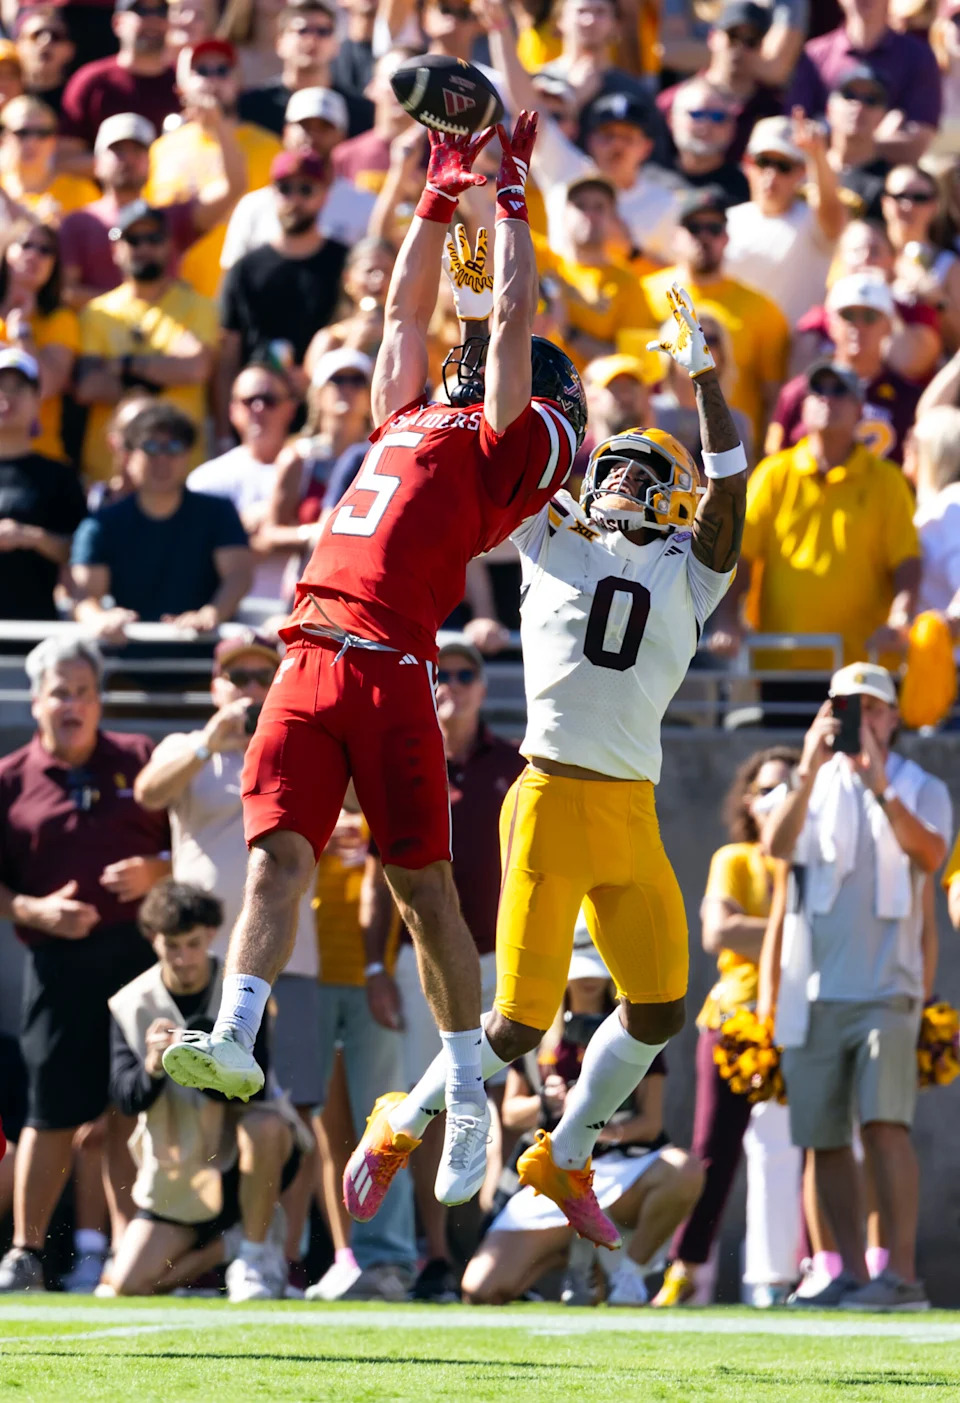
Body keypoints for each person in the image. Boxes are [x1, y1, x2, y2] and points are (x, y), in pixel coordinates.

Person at [161, 117, 586, 1215]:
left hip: (393, 665)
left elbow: (505, 342)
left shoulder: (515, 437)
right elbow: (403, 308)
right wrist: (439, 201)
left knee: (423, 893)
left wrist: (515, 208)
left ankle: (469, 1090)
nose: (459, 349)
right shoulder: (409, 415)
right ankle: (234, 1034)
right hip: (305, 653)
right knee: (274, 863)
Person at [350, 284, 747, 1249]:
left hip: (633, 810)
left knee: (658, 1008)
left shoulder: (691, 573)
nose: (615, 478)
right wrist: (492, 330)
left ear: (671, 494)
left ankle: (564, 1152)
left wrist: (705, 384)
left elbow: (733, 492)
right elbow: (509, 440)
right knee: (519, 1023)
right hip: (549, 796)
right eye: (608, 465)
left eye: (637, 470)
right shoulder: (547, 536)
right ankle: (403, 1120)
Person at [759, 663, 951, 1310]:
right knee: (823, 1135)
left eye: (872, 708)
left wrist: (880, 789)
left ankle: (899, 1274)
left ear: (893, 717)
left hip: (886, 989)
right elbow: (775, 848)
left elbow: (930, 854)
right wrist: (811, 770)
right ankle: (843, 1268)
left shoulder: (920, 785)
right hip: (809, 990)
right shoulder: (804, 782)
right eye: (847, 707)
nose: (859, 720)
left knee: (886, 1127)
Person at [0, 637, 169, 1294]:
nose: (72, 705)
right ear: (36, 699)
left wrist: (163, 870)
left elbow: (201, 846)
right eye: (59, 692)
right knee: (50, 1112)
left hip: (138, 960)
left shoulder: (140, 760)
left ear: (100, 700)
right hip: (55, 965)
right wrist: (37, 910)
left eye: (83, 692)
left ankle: (129, 1250)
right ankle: (25, 1251)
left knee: (131, 1106)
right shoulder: (10, 777)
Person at [364, 637, 525, 1301]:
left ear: (484, 687)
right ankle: (434, 1252)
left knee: (514, 1106)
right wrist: (376, 962)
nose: (452, 685)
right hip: (424, 964)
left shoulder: (515, 764)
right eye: (441, 673)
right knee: (427, 1104)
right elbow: (383, 872)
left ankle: (505, 1244)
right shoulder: (404, 755)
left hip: (506, 960)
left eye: (465, 673)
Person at [461, 933, 703, 1307]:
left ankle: (628, 1277)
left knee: (684, 1170)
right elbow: (510, 1113)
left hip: (620, 1168)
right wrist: (548, 1103)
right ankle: (577, 1256)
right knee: (482, 1289)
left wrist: (594, 1124)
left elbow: (651, 1125)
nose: (588, 980)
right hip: (554, 1174)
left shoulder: (638, 1031)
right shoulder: (536, 1030)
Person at [653, 747, 799, 1308]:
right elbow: (718, 932)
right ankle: (688, 1275)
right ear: (747, 801)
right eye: (767, 789)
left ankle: (786, 1275)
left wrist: (759, 929)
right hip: (734, 1023)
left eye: (791, 788)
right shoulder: (735, 858)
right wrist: (795, 930)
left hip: (800, 1023)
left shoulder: (815, 860)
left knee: (801, 1151)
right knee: (713, 1152)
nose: (778, 800)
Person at [107, 880, 301, 1301]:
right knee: (127, 1285)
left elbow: (252, 1085)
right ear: (152, 940)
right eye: (172, 945)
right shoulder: (130, 1003)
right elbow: (124, 1098)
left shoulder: (241, 995)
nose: (183, 957)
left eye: (193, 944)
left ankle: (251, 1254)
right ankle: (226, 1248)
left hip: (241, 1161)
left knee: (266, 1126)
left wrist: (196, 1057)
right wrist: (154, 1068)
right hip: (180, 1172)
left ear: (212, 935)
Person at [710, 360, 921, 711]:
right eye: (818, 390)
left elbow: (906, 561)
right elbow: (740, 554)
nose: (828, 399)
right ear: (803, 406)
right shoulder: (774, 473)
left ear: (859, 409)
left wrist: (901, 618)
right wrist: (728, 618)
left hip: (860, 670)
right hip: (781, 666)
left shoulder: (887, 480)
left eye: (840, 391)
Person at [480, 0, 676, 262]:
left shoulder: (632, 89)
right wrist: (573, 100)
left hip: (627, 206)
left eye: (599, 12)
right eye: (582, 11)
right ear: (560, 20)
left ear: (615, 23)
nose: (590, 21)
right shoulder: (541, 83)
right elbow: (526, 116)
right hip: (552, 197)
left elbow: (656, 165)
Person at [71, 402, 252, 641]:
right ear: (128, 456)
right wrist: (99, 619)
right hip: (126, 668)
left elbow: (238, 575)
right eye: (151, 447)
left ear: (188, 454)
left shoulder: (218, 513)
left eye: (174, 447)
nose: (163, 458)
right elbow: (84, 595)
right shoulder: (102, 524)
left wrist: (211, 613)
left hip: (205, 663)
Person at [74, 200, 219, 480]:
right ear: (116, 249)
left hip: (184, 472)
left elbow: (195, 369)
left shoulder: (199, 307)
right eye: (133, 239)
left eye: (154, 239)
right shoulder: (97, 312)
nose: (143, 248)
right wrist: (164, 368)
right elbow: (90, 387)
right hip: (111, 475)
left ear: (169, 246)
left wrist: (122, 365)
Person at [642, 188, 790, 445]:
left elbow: (773, 394)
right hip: (656, 446)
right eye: (694, 227)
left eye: (714, 228)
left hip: (730, 448)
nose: (704, 236)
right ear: (676, 237)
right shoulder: (644, 294)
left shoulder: (760, 308)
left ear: (726, 238)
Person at [60, 110, 243, 307]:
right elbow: (67, 292)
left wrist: (218, 126)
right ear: (96, 164)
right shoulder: (78, 223)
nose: (128, 159)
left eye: (137, 151)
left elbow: (234, 187)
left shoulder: (169, 217)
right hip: (102, 335)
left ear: (150, 163)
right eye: (118, 151)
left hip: (167, 334)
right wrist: (134, 306)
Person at [144, 38, 277, 300]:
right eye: (202, 71)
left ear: (237, 81)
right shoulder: (161, 149)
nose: (213, 79)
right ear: (183, 84)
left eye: (222, 70)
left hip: (250, 295)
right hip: (177, 300)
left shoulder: (272, 148)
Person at [216, 149, 348, 408]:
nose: (294, 199)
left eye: (305, 189)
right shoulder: (246, 268)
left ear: (324, 195)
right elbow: (227, 354)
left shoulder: (345, 263)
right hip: (257, 409)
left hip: (326, 409)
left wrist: (312, 374)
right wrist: (222, 433)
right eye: (285, 189)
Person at [768, 271, 924, 465]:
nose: (857, 326)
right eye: (848, 315)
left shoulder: (909, 400)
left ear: (889, 326)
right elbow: (774, 462)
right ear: (830, 323)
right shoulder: (799, 392)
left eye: (869, 316)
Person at [221, 88, 374, 267]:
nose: (312, 136)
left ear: (342, 136)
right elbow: (234, 280)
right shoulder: (253, 206)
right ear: (286, 132)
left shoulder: (365, 206)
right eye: (304, 126)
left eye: (324, 127)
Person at [188, 362, 300, 600]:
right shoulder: (206, 480)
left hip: (302, 616)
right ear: (232, 411)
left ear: (290, 409)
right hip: (231, 617)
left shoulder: (315, 469)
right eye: (249, 401)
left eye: (269, 400)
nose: (258, 408)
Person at [723, 112, 847, 328]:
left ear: (801, 173)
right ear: (747, 164)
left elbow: (832, 213)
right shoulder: (726, 221)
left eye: (784, 166)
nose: (771, 175)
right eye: (763, 162)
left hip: (797, 352)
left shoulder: (811, 219)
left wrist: (817, 155)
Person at [787, 0, 942, 164]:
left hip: (887, 181)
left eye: (871, 100)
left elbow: (917, 143)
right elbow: (796, 131)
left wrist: (842, 139)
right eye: (848, 96)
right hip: (823, 173)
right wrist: (873, 139)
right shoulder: (814, 56)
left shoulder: (919, 57)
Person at [535, 173, 657, 371]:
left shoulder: (627, 283)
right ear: (564, 215)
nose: (590, 214)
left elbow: (637, 363)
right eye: (580, 206)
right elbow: (486, 226)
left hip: (591, 394)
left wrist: (568, 331)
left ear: (614, 219)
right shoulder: (541, 257)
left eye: (599, 207)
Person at [0, 347, 86, 620]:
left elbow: (81, 550)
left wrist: (31, 537)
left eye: (18, 388)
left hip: (34, 630)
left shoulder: (58, 475)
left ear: (38, 399)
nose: (6, 398)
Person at [656, 2, 784, 165]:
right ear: (712, 37)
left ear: (763, 47)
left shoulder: (772, 109)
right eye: (732, 36)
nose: (739, 48)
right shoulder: (672, 102)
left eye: (750, 41)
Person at [237, 0, 373, 140]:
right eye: (302, 30)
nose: (312, 39)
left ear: (336, 46)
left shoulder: (359, 111)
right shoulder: (251, 106)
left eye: (323, 31)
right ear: (279, 43)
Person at [0, 220, 78, 462]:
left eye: (46, 250)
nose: (35, 254)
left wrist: (21, 331)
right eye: (25, 244)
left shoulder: (61, 320)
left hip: (39, 459)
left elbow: (44, 387)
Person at [60, 0, 179, 155]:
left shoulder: (188, 80)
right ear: (117, 23)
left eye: (162, 11)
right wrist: (115, 165)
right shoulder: (91, 81)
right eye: (141, 11)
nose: (153, 19)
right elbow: (65, 157)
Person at [882, 164, 960, 353]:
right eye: (899, 196)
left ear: (935, 205)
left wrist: (937, 298)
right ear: (885, 201)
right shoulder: (866, 251)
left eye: (920, 198)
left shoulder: (948, 264)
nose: (908, 205)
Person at [0, 95, 98, 219]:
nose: (32, 142)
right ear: (3, 139)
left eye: (43, 133)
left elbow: (107, 236)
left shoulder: (80, 192)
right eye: (22, 132)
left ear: (54, 141)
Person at [659, 78, 750, 208]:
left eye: (717, 117)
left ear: (732, 126)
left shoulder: (750, 189)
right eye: (696, 114)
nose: (706, 125)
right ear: (671, 120)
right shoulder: (643, 180)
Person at [909, 406, 960, 620]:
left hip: (949, 651)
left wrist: (944, 626)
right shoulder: (939, 503)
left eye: (912, 442)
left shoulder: (953, 506)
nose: (905, 447)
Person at [824, 64, 892, 219]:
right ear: (829, 109)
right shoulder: (797, 170)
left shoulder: (889, 186)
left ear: (882, 117)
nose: (859, 106)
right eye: (849, 95)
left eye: (871, 100)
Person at [16, 7, 77, 121]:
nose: (46, 41)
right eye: (36, 35)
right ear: (19, 45)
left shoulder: (77, 99)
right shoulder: (7, 93)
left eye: (56, 36)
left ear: (70, 50)